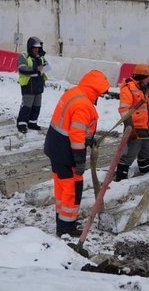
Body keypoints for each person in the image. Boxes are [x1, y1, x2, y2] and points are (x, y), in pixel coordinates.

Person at [44, 69, 110, 237]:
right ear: (94, 90)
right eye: (99, 94)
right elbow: (76, 134)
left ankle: (62, 221)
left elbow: (69, 126)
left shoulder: (74, 93)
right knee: (72, 189)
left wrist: (87, 140)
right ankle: (66, 228)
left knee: (61, 185)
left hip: (55, 148)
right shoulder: (83, 105)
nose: (99, 98)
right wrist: (80, 159)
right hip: (66, 153)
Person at [116, 63, 149, 181]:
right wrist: (130, 129)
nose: (148, 80)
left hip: (145, 130)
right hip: (135, 130)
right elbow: (124, 110)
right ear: (141, 77)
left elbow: (147, 109)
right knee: (128, 157)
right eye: (147, 77)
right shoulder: (128, 89)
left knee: (144, 155)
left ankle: (146, 176)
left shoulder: (144, 89)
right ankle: (119, 181)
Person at [17, 36, 49, 134]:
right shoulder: (24, 56)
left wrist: (41, 69)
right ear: (30, 47)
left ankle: (32, 123)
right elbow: (22, 68)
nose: (36, 50)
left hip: (38, 85)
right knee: (27, 106)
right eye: (35, 48)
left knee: (36, 106)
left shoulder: (41, 57)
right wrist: (36, 69)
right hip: (28, 85)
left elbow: (47, 67)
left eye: (38, 48)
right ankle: (22, 124)